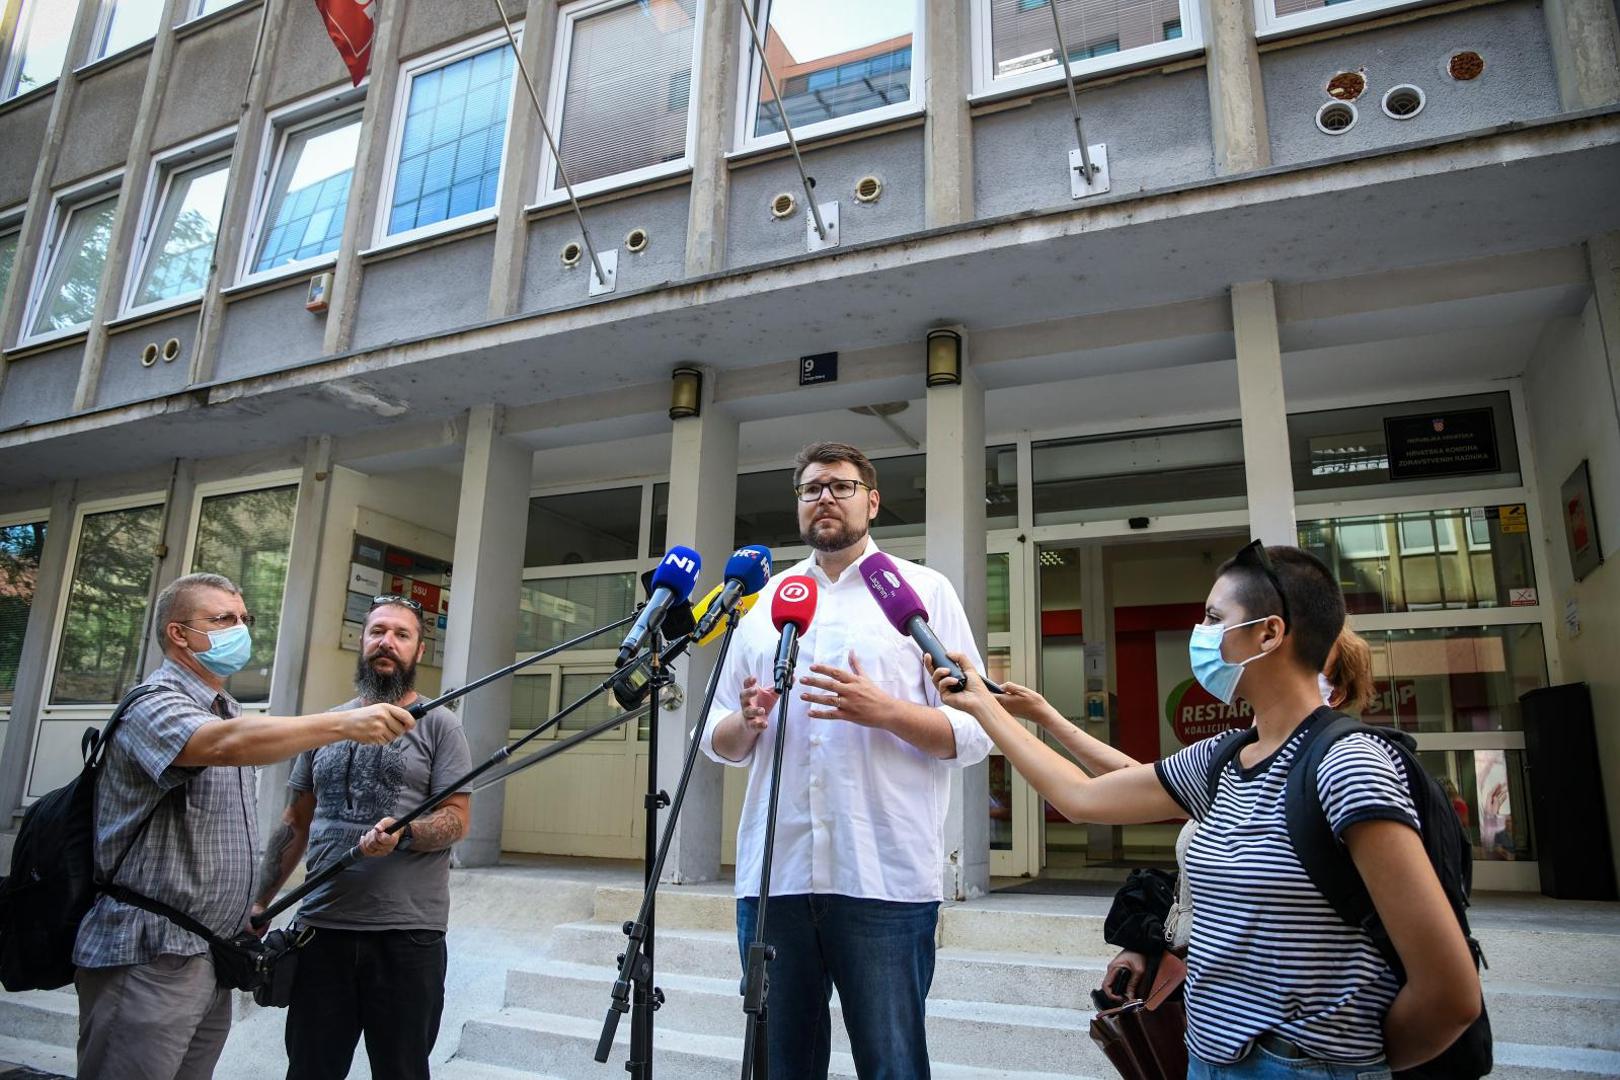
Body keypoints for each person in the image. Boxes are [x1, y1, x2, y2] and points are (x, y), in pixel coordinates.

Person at [933, 543, 1481, 1077]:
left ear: (1269, 633)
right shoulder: (1227, 755)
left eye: (1215, 618)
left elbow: (1451, 993)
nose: (1203, 634)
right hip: (1207, 1058)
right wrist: (993, 708)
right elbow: (1081, 797)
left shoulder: (1349, 765)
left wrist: (1344, 1064)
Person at [700, 442, 993, 1080]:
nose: (825, 498)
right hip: (776, 877)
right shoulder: (762, 603)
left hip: (883, 879)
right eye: (811, 489)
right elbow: (715, 739)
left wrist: (885, 711)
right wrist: (746, 722)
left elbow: (976, 731)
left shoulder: (924, 592)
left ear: (873, 500)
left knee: (892, 1066)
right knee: (779, 1065)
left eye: (840, 486)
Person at [74, 573, 417, 1080]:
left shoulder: (227, 708)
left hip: (210, 955)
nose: (239, 629)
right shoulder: (154, 702)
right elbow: (222, 744)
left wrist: (254, 905)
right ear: (179, 634)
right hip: (150, 954)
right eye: (221, 619)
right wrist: (342, 724)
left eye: (243, 619)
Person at [1003, 625, 1377, 1005]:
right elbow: (1136, 777)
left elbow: (1082, 798)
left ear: (1337, 693)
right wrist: (1044, 716)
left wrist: (986, 711)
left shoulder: (1335, 768)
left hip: (1270, 1012)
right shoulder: (1229, 757)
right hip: (1205, 996)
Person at [252, 595, 473, 1080]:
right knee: (310, 1069)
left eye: (401, 634)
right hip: (321, 929)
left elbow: (457, 818)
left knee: (401, 1072)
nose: (386, 643)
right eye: (378, 632)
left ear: (418, 651)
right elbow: (295, 820)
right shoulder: (329, 724)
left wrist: (406, 834)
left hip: (407, 937)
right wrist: (261, 901)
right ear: (361, 640)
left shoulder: (439, 725)